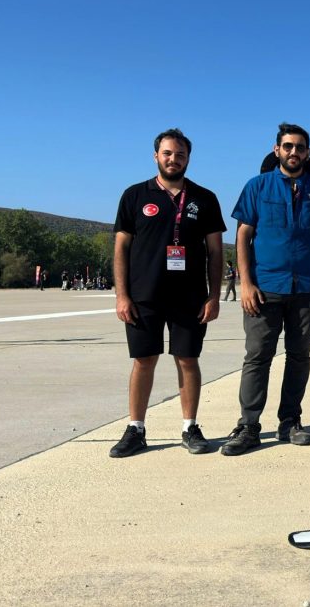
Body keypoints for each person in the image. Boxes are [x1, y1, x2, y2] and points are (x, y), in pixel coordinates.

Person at [110, 128, 225, 458]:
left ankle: (190, 427)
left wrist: (213, 296)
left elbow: (215, 252)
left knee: (187, 359)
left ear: (188, 158)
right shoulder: (135, 196)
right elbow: (121, 248)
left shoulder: (204, 198)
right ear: (156, 156)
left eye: (180, 154)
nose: (174, 159)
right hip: (143, 295)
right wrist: (122, 295)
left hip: (190, 296)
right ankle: (136, 429)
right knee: (144, 360)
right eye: (168, 153)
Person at [221, 122, 310, 456]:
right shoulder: (257, 186)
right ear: (277, 150)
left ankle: (290, 422)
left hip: (307, 289)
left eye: (299, 147)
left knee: (299, 357)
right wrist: (245, 283)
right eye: (288, 146)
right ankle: (248, 425)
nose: (293, 152)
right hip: (265, 288)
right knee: (258, 357)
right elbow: (243, 236)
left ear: (308, 152)